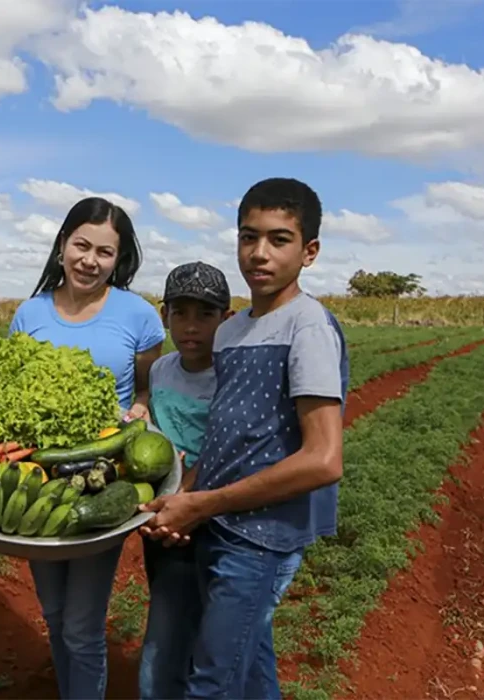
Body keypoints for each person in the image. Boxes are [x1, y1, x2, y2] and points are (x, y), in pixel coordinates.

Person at [140, 177, 349, 699]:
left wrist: (205, 502)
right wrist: (186, 497)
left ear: (310, 252)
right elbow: (222, 437)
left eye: (279, 239)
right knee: (251, 668)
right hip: (218, 524)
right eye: (247, 236)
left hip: (263, 537)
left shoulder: (309, 328)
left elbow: (323, 460)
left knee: (212, 681)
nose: (259, 253)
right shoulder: (230, 333)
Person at [9, 196, 166, 699]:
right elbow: (12, 393)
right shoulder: (29, 314)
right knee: (54, 615)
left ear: (119, 260)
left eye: (105, 252)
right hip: (41, 478)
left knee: (80, 624)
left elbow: (147, 390)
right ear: (62, 246)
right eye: (81, 245)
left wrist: (141, 410)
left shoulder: (138, 316)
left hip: (105, 477)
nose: (90, 260)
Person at [138, 261, 233, 700]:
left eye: (205, 314)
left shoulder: (232, 376)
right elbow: (155, 434)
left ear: (226, 319)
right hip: (163, 521)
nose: (191, 326)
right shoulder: (160, 371)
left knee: (211, 632)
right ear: (165, 316)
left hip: (210, 518)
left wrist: (184, 498)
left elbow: (223, 446)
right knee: (168, 617)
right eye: (181, 313)